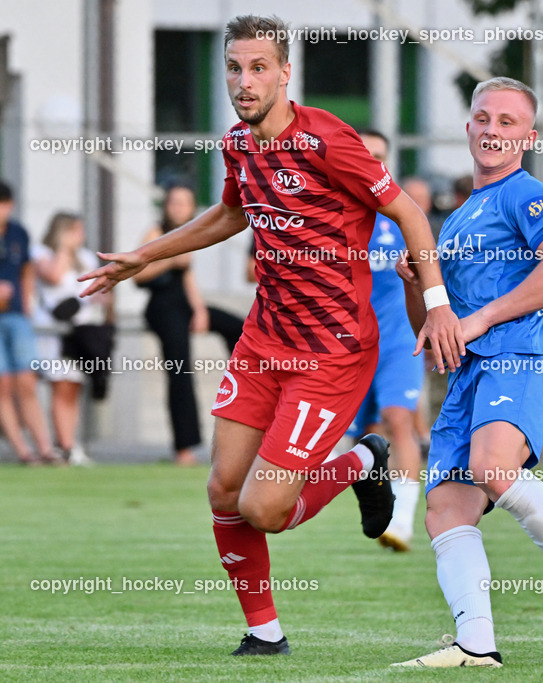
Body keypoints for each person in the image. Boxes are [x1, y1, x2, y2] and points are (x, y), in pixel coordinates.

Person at [80, 14, 462, 656]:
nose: (244, 80)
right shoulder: (238, 143)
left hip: (331, 352)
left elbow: (409, 212)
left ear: (286, 72)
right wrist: (147, 255)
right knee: (223, 488)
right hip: (264, 342)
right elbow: (230, 213)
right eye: (234, 67)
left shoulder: (329, 140)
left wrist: (438, 301)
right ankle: (264, 632)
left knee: (264, 509)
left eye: (258, 67)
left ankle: (361, 461)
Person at [391, 77, 543, 669]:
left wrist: (479, 321)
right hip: (465, 379)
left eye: (508, 123)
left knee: (493, 467)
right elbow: (434, 334)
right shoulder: (454, 223)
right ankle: (476, 645)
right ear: (470, 126)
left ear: (527, 138)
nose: (493, 131)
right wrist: (415, 286)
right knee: (445, 510)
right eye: (484, 118)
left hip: (518, 357)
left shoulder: (530, 196)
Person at [345, 130, 426, 552]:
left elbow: (430, 270)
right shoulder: (336, 217)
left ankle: (404, 522)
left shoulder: (402, 216)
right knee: (368, 437)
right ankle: (382, 509)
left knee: (400, 419)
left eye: (378, 156)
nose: (371, 162)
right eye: (364, 155)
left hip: (398, 342)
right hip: (353, 346)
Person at [133, 185, 245, 466]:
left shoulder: (189, 235)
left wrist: (199, 310)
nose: (178, 207)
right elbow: (138, 275)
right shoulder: (156, 232)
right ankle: (184, 448)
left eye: (185, 203)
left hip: (185, 305)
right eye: (174, 202)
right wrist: (170, 260)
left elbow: (188, 279)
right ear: (166, 206)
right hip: (162, 307)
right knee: (180, 369)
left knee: (239, 327)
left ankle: (248, 382)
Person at [33, 212, 109, 465]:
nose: (80, 236)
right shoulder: (42, 253)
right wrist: (64, 248)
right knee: (61, 386)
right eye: (75, 231)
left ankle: (69, 443)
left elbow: (97, 289)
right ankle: (63, 445)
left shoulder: (85, 257)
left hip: (81, 331)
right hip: (55, 332)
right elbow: (54, 275)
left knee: (74, 387)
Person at [0, 181, 58, 465]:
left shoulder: (18, 234)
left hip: (16, 316)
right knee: (3, 384)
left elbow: (26, 271)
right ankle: (24, 452)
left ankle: (45, 448)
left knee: (27, 380)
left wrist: (25, 305)